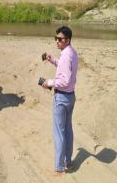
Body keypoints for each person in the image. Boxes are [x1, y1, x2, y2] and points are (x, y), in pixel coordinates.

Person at [42, 26, 78, 175]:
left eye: (60, 39)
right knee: (68, 130)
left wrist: (48, 83)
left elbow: (63, 80)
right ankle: (67, 161)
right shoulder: (72, 52)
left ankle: (59, 167)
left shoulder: (65, 55)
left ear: (67, 40)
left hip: (62, 97)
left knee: (59, 133)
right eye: (56, 38)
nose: (57, 41)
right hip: (70, 97)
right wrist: (52, 60)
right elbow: (65, 68)